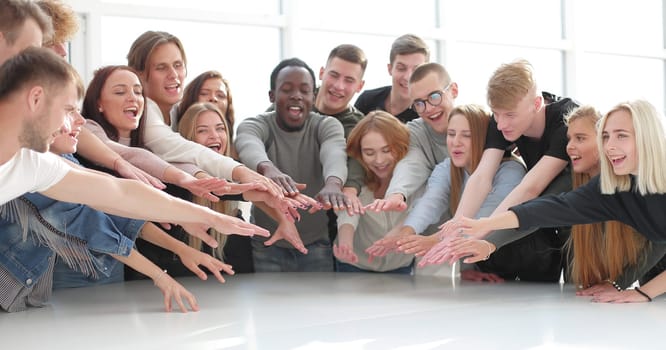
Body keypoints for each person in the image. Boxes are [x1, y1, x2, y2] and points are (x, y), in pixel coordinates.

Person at [0, 47, 269, 248]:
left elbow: (119, 192)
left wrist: (208, 216)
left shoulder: (34, 164)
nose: (74, 122)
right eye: (68, 110)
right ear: (36, 99)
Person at [5, 108, 231, 313]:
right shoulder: (27, 162)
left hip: (30, 291)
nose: (81, 120)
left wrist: (180, 238)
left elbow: (117, 204)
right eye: (68, 109)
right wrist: (160, 276)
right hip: (10, 284)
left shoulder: (58, 159)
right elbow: (89, 222)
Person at [441, 99, 666, 303]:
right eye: (605, 136)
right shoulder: (613, 188)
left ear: (647, 136)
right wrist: (486, 224)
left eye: (622, 135)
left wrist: (643, 292)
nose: (609, 146)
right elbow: (550, 209)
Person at [423, 59, 578, 282]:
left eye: (510, 115)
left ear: (536, 104)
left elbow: (531, 188)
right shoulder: (501, 122)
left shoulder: (566, 119)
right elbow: (481, 178)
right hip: (551, 216)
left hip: (585, 216)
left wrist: (483, 228)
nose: (501, 123)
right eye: (496, 113)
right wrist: (456, 228)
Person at [125, 30, 283, 198]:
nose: (173, 74)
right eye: (161, 68)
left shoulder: (177, 112)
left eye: (178, 65)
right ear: (138, 75)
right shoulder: (144, 112)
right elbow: (186, 151)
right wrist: (240, 172)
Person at [389, 105, 525, 282]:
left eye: (466, 135)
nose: (456, 142)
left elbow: (486, 219)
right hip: (480, 262)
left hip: (521, 265)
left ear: (486, 139)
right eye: (451, 134)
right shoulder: (447, 168)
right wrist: (406, 232)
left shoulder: (511, 170)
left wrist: (435, 240)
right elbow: (431, 201)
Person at [235, 58, 348, 272]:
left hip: (316, 246)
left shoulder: (326, 125)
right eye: (287, 89)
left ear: (313, 97)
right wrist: (268, 169)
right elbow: (248, 144)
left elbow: (334, 152)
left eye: (304, 90)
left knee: (319, 305)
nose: (296, 95)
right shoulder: (256, 124)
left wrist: (334, 182)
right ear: (272, 95)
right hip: (268, 245)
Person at [362, 63, 455, 261]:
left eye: (434, 97)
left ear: (453, 90)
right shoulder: (416, 130)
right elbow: (412, 163)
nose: (429, 108)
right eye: (419, 103)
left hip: (476, 231)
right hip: (434, 236)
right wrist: (396, 194)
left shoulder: (477, 125)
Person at [333, 110, 414, 273]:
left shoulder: (412, 176)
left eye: (386, 150)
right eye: (369, 153)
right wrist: (345, 243)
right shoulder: (354, 179)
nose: (379, 160)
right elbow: (348, 212)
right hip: (354, 265)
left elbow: (419, 210)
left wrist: (398, 232)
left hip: (401, 267)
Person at [354, 34, 429, 124]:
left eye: (416, 70)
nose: (408, 77)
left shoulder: (426, 113)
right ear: (390, 69)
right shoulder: (367, 100)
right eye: (401, 68)